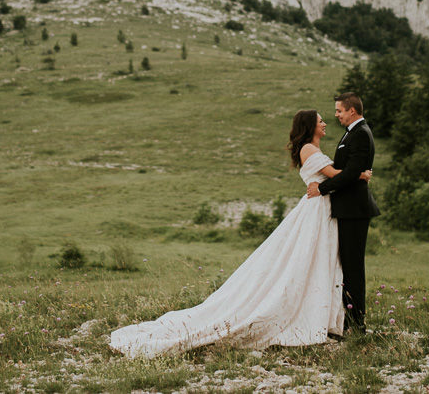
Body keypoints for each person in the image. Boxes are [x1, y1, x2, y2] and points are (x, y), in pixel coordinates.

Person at [109, 110, 371, 357]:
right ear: (309, 126)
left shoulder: (312, 148)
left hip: (319, 207)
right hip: (316, 209)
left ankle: (320, 312)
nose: (326, 123)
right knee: (306, 259)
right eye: (321, 120)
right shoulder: (309, 149)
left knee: (315, 260)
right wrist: (361, 174)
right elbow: (336, 174)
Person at [306, 92, 379, 334]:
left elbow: (349, 173)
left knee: (353, 266)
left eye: (339, 111)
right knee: (347, 265)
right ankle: (348, 318)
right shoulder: (352, 133)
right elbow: (348, 170)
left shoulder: (361, 134)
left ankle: (357, 323)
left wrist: (322, 189)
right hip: (347, 209)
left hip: (355, 210)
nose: (336, 115)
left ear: (352, 111)